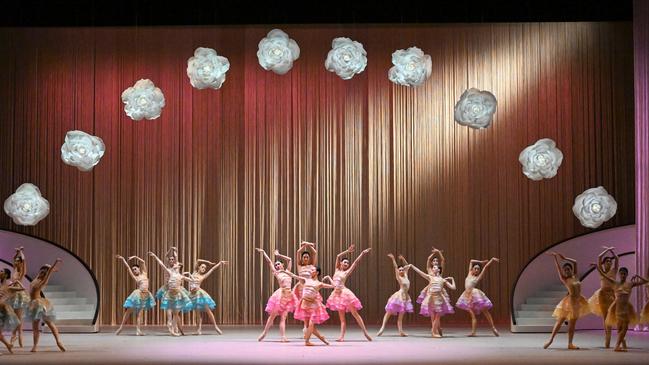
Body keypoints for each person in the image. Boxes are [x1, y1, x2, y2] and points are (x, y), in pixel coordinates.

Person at [594, 263, 648, 351]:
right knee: (619, 328)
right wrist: (598, 268)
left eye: (624, 274)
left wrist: (638, 276)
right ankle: (621, 344)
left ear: (627, 275)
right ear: (619, 274)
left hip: (626, 308)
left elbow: (646, 281)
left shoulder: (630, 284)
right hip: (617, 308)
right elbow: (604, 276)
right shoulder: (615, 283)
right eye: (621, 273)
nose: (623, 275)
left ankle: (617, 345)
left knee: (625, 327)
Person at [324, 244, 372, 342]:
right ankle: (341, 337)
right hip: (336, 296)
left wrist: (362, 253)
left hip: (345, 294)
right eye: (345, 262)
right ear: (341, 263)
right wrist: (347, 251)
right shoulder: (336, 269)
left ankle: (365, 332)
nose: (346, 264)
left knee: (355, 313)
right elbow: (338, 256)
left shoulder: (346, 272)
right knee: (342, 318)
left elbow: (355, 262)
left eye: (347, 263)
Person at [544, 252, 590, 350]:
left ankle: (570, 343)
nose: (566, 271)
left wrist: (565, 258)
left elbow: (575, 262)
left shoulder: (575, 276)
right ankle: (551, 340)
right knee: (560, 321)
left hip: (577, 301)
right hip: (569, 302)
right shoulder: (565, 279)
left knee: (572, 324)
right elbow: (558, 269)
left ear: (571, 270)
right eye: (565, 270)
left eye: (568, 269)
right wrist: (555, 259)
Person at [255, 248, 297, 342]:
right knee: (273, 316)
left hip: (289, 296)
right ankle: (264, 333)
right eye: (276, 265)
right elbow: (269, 262)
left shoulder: (288, 271)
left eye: (278, 264)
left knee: (283, 317)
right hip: (280, 295)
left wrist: (278, 255)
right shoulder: (277, 273)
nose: (277, 265)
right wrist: (264, 252)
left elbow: (290, 259)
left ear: (283, 264)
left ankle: (283, 337)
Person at [285, 267, 333, 346]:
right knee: (308, 326)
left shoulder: (319, 284)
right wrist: (284, 271)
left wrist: (328, 277)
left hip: (313, 305)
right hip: (304, 303)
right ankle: (322, 338)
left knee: (311, 324)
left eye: (312, 270)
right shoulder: (306, 280)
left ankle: (307, 341)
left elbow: (333, 286)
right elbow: (293, 275)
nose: (310, 271)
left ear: (317, 272)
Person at [149, 252, 193, 336]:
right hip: (169, 293)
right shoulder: (170, 272)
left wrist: (191, 276)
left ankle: (173, 329)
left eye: (177, 264)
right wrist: (155, 256)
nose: (176, 264)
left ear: (179, 267)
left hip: (177, 294)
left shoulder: (180, 275)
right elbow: (162, 264)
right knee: (170, 309)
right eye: (175, 264)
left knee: (176, 313)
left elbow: (191, 280)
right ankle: (171, 325)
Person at [27, 258, 65, 352]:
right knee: (35, 327)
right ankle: (35, 346)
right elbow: (45, 267)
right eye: (42, 270)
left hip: (39, 304)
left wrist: (54, 264)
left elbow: (48, 273)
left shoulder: (43, 281)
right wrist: (49, 268)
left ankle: (58, 342)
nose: (42, 271)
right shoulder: (36, 278)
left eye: (44, 271)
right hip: (33, 304)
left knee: (50, 323)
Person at [456, 257, 500, 337]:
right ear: (472, 269)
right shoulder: (469, 274)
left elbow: (486, 267)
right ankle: (473, 332)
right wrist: (481, 261)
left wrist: (492, 260)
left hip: (475, 294)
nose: (476, 270)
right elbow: (471, 260)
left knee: (485, 311)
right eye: (475, 268)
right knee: (472, 314)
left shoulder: (478, 277)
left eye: (478, 269)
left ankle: (493, 328)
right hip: (467, 296)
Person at [411, 261, 456, 338]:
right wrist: (412, 266)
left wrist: (452, 279)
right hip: (431, 298)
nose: (433, 268)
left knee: (437, 316)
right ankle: (434, 332)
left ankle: (435, 331)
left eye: (435, 267)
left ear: (438, 270)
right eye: (433, 267)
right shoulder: (430, 277)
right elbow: (420, 272)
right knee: (433, 315)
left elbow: (453, 288)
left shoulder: (442, 280)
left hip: (439, 298)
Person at [184, 259, 227, 335]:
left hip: (200, 294)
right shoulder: (194, 272)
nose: (203, 269)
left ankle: (216, 327)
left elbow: (212, 269)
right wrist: (208, 262)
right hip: (193, 295)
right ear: (199, 267)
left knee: (208, 310)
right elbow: (197, 260)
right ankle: (199, 330)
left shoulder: (203, 276)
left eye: (205, 268)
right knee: (198, 313)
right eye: (202, 267)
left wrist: (220, 263)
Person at [115, 255, 155, 335]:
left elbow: (143, 261)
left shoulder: (144, 273)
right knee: (128, 311)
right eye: (133, 270)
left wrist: (135, 257)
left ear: (139, 269)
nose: (134, 271)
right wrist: (123, 259)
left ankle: (138, 330)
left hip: (146, 295)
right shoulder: (135, 277)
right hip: (138, 295)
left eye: (135, 269)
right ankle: (121, 327)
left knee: (140, 314)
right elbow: (128, 268)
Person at [588, 246, 618, 346]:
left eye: (610, 261)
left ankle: (618, 337)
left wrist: (611, 251)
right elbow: (599, 257)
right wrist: (606, 250)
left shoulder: (614, 270)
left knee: (613, 315)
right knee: (605, 316)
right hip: (602, 294)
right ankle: (607, 337)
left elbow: (617, 258)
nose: (609, 262)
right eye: (607, 261)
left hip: (612, 294)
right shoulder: (601, 269)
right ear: (604, 264)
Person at [377, 254, 413, 337]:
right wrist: (393, 259)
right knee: (389, 312)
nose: (401, 271)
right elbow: (396, 267)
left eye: (402, 270)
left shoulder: (406, 275)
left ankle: (401, 331)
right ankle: (382, 328)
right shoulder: (399, 278)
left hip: (405, 297)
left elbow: (407, 265)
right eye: (400, 270)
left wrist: (403, 258)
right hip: (399, 296)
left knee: (401, 315)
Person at [9, 247, 29, 347]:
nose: (16, 262)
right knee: (15, 317)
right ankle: (15, 335)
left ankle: (17, 335)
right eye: (16, 261)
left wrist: (21, 252)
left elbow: (24, 261)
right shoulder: (15, 270)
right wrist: (16, 253)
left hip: (19, 295)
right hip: (13, 294)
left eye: (18, 261)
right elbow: (13, 259)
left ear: (20, 263)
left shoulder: (22, 272)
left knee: (19, 318)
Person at [0, 268, 23, 354]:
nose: (0, 272)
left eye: (1, 271)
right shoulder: (1, 283)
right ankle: (8, 345)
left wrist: (17, 282)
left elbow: (22, 288)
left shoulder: (9, 285)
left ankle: (8, 344)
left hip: (2, 310)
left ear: (5, 275)